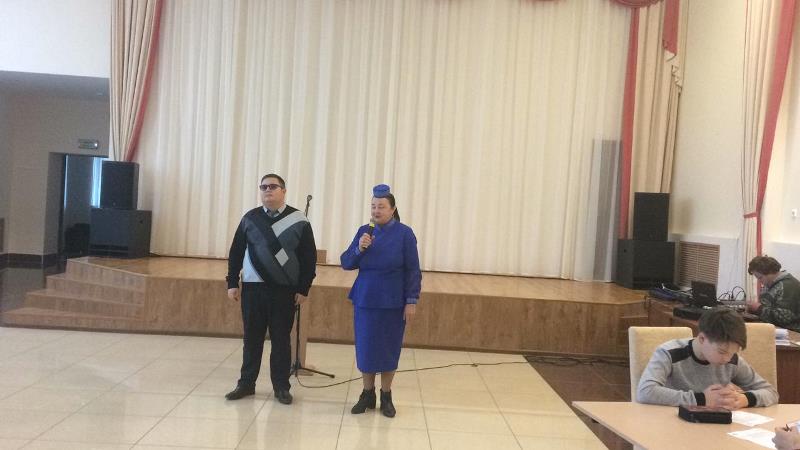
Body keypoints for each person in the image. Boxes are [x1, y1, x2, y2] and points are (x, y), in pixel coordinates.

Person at [224, 174, 317, 404]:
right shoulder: (250, 218)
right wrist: (232, 282)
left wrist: (304, 288)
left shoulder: (299, 220)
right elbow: (236, 251)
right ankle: (246, 384)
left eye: (273, 186)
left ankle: (281, 387)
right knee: (251, 340)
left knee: (281, 341)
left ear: (283, 191)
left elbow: (309, 257)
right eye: (264, 187)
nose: (268, 190)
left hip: (284, 291)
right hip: (253, 290)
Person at [340, 184, 421, 418]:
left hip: (393, 300)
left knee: (388, 347)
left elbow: (413, 270)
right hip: (366, 297)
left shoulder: (405, 234)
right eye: (373, 206)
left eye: (381, 207)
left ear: (392, 209)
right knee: (365, 346)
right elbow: (346, 263)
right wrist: (359, 248)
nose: (376, 210)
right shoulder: (364, 231)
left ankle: (386, 395)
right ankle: (367, 393)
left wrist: (411, 300)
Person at [637, 307, 778, 409]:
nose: (727, 359)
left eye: (733, 352)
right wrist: (702, 399)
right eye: (722, 352)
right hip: (671, 424)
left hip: (715, 428)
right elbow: (645, 391)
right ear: (702, 339)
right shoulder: (669, 353)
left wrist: (744, 399)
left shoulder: (732, 360)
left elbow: (771, 392)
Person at [747, 256, 800, 332]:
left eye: (760, 277)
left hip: (791, 333)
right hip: (775, 329)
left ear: (770, 272)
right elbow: (766, 307)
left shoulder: (788, 286)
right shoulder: (770, 284)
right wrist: (753, 310)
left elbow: (784, 318)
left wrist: (758, 309)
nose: (759, 281)